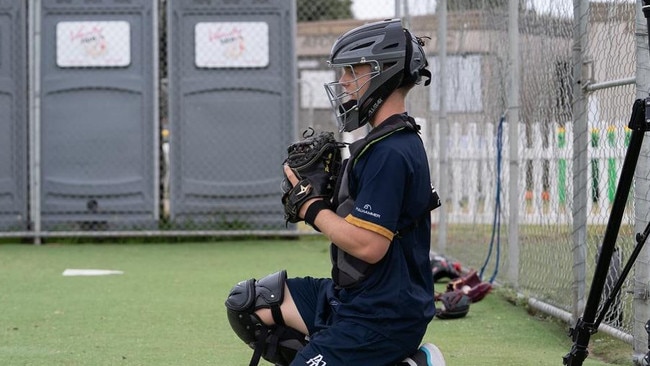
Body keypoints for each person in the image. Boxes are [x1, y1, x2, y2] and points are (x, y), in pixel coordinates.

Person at [225, 19, 443, 366]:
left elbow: (370, 247)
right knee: (251, 304)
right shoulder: (384, 142)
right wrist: (327, 203)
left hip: (382, 318)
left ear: (381, 72)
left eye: (352, 70)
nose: (343, 81)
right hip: (358, 298)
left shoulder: (391, 151)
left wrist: (311, 208)